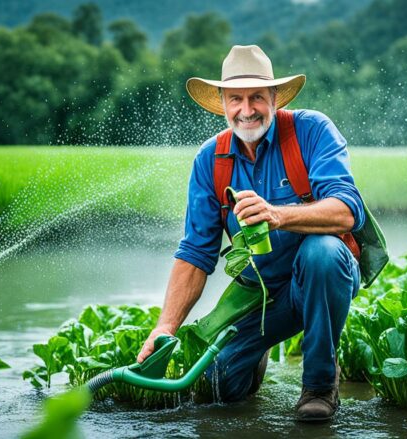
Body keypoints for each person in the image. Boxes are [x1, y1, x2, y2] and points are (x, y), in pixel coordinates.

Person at [137, 45, 365, 422]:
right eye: (236, 99)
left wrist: (277, 215)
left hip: (320, 277)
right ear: (223, 103)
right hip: (259, 294)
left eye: (257, 97)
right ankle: (254, 353)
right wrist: (165, 326)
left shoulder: (311, 131)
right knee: (216, 388)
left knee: (322, 253)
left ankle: (320, 385)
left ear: (274, 98)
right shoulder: (210, 159)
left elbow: (347, 212)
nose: (247, 109)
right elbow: (196, 252)